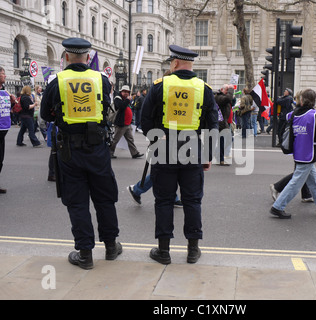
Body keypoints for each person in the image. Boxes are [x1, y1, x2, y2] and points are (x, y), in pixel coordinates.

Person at [40, 37, 122, 269]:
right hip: (97, 148)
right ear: (88, 57)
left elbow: (46, 114)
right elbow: (107, 108)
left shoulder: (57, 81)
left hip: (69, 150)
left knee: (77, 202)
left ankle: (85, 254)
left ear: (65, 57)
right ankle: (110, 246)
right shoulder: (102, 80)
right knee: (105, 198)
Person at [141, 44, 218, 265]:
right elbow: (213, 125)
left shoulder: (159, 86)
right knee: (192, 200)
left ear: (174, 63)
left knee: (164, 200)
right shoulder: (204, 89)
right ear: (191, 65)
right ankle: (193, 250)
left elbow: (145, 120)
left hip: (164, 147)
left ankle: (163, 252)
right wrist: (208, 155)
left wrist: (157, 138)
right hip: (192, 148)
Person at [270, 89, 316, 219]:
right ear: (313, 100)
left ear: (301, 100)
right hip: (309, 153)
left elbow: (284, 120)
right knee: (296, 183)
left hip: (298, 152)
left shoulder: (294, 114)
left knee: (314, 182)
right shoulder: (314, 115)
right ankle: (278, 207)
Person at [109, 85, 143, 159]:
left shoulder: (126, 99)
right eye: (124, 92)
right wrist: (128, 100)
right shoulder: (118, 98)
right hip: (121, 123)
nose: (126, 93)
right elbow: (121, 107)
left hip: (127, 123)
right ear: (121, 92)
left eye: (127, 92)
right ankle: (109, 152)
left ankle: (134, 153)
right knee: (116, 139)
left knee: (130, 139)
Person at [0, 66, 14, 194]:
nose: (5, 76)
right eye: (2, 73)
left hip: (3, 130)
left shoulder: (4, 92)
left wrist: (13, 102)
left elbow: (9, 109)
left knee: (0, 160)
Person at [214, 84, 234, 165]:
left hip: (224, 122)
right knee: (222, 141)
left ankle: (218, 155)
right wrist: (231, 89)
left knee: (228, 139)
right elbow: (228, 98)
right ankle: (220, 159)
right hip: (220, 123)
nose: (227, 92)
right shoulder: (219, 97)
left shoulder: (223, 97)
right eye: (226, 89)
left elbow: (231, 100)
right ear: (222, 89)